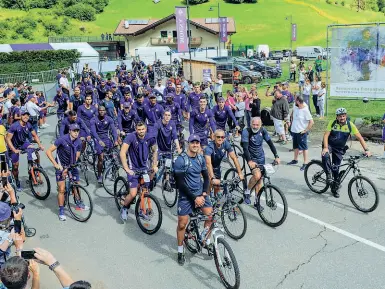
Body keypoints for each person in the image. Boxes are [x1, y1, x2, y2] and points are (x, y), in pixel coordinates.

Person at [174, 134, 212, 266]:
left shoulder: (201, 159)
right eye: (193, 143)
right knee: (182, 224)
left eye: (197, 143)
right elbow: (180, 184)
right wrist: (195, 198)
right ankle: (180, 250)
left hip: (199, 194)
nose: (195, 145)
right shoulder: (180, 160)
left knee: (210, 216)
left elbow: (206, 178)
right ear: (188, 144)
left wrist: (203, 195)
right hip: (186, 195)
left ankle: (205, 240)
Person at [322, 108, 371, 198]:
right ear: (337, 117)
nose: (342, 118)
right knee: (325, 156)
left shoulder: (350, 125)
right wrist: (325, 148)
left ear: (346, 116)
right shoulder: (332, 123)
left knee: (336, 168)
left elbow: (360, 137)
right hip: (329, 145)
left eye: (344, 116)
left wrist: (366, 149)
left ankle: (334, 188)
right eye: (340, 116)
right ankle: (328, 175)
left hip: (339, 148)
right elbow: (326, 135)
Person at [46, 124, 89, 221]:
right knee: (61, 189)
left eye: (77, 131)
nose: (76, 133)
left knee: (76, 184)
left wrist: (73, 164)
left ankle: (78, 202)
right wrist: (56, 164)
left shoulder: (78, 141)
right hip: (61, 166)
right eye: (74, 131)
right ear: (69, 131)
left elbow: (77, 155)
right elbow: (48, 151)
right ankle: (61, 211)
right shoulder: (62, 139)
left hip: (71, 166)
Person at [119, 121, 158, 221]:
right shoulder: (131, 137)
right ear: (136, 129)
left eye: (142, 129)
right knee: (133, 193)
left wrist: (154, 165)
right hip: (133, 169)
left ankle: (141, 210)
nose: (141, 131)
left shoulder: (150, 138)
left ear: (146, 129)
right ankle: (124, 208)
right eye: (139, 129)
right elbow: (122, 152)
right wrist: (127, 168)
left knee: (145, 190)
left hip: (144, 167)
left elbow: (155, 151)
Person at [241, 117, 280, 207]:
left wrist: (276, 156)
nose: (255, 126)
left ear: (260, 125)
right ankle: (247, 191)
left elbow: (270, 143)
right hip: (251, 158)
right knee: (257, 175)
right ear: (250, 124)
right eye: (253, 124)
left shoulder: (263, 131)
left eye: (257, 125)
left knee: (260, 181)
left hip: (261, 158)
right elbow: (245, 148)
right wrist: (249, 161)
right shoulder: (246, 131)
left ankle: (256, 202)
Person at [6, 111, 44, 191]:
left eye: (27, 115)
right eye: (24, 115)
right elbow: (8, 139)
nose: (26, 117)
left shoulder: (28, 125)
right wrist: (14, 150)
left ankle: (36, 167)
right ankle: (17, 182)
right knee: (15, 166)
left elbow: (35, 135)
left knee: (34, 150)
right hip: (14, 146)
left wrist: (40, 145)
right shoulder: (14, 126)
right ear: (20, 116)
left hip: (23, 143)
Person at [204, 129, 244, 197]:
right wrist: (212, 178)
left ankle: (216, 204)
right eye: (218, 137)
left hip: (217, 167)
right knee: (209, 185)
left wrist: (240, 173)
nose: (220, 139)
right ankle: (206, 201)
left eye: (222, 137)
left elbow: (234, 158)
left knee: (217, 187)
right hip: (207, 167)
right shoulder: (209, 147)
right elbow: (208, 164)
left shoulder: (225, 143)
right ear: (214, 137)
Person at [90, 106, 118, 184]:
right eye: (100, 110)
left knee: (113, 156)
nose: (101, 112)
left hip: (106, 138)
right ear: (98, 111)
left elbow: (114, 130)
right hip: (98, 138)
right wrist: (99, 140)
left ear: (105, 111)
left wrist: (115, 140)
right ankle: (99, 175)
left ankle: (114, 172)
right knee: (101, 158)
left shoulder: (109, 119)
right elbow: (93, 132)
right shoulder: (93, 120)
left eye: (103, 110)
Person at [287, 96, 314, 171]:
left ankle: (305, 163)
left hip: (301, 132)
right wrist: (291, 121)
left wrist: (305, 130)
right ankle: (295, 160)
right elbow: (292, 114)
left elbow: (311, 122)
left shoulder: (305, 110)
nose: (294, 102)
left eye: (295, 100)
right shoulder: (295, 107)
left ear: (299, 101)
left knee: (304, 148)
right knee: (295, 146)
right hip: (294, 130)